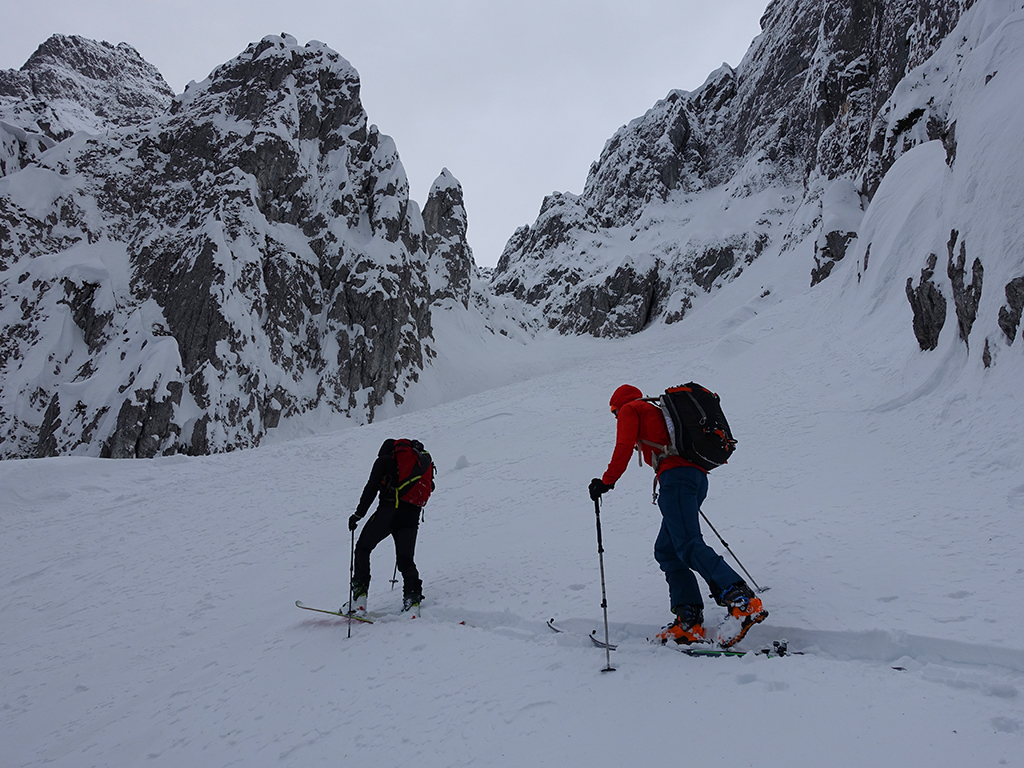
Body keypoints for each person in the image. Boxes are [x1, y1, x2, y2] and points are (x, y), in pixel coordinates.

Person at [588, 384, 767, 648]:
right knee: (668, 550)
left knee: (688, 545)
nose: (616, 418)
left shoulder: (630, 409)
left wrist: (606, 482)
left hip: (676, 479)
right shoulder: (656, 409)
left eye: (614, 414)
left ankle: (742, 601)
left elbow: (624, 444)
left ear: (618, 406)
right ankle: (688, 621)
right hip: (693, 478)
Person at [347, 439, 433, 616]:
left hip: (389, 512)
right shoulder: (416, 464)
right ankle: (412, 598)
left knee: (363, 548)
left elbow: (371, 488)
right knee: (405, 559)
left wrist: (358, 515)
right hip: (411, 514)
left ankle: (359, 598)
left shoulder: (384, 461)